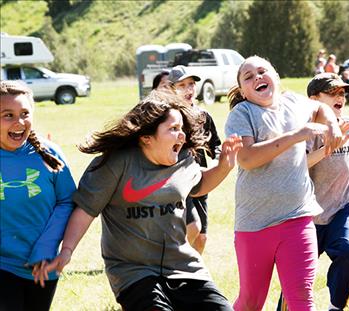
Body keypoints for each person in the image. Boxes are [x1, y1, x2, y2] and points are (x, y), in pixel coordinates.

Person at [40, 91, 242, 311]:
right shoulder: (115, 164)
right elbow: (85, 211)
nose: (182, 135)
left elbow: (199, 184)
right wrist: (67, 251)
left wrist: (224, 166)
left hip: (184, 267)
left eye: (182, 128)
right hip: (133, 272)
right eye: (173, 129)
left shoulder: (183, 159)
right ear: (146, 137)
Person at [225, 56, 344, 311]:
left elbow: (320, 109)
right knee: (250, 301)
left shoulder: (294, 103)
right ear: (244, 92)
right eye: (248, 77)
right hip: (255, 223)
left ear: (276, 78)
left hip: (297, 218)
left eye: (262, 71)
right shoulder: (243, 113)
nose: (257, 77)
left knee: (301, 297)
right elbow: (246, 159)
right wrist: (295, 136)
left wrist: (332, 124)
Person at [277, 73, 349, 311]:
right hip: (308, 214)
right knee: (298, 276)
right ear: (314, 100)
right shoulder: (307, 131)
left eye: (342, 93)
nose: (340, 97)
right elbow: (299, 164)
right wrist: (330, 147)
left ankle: (336, 307)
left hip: (341, 205)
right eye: (332, 93)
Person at [0, 80, 76, 311]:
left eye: (25, 113)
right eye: (8, 115)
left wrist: (46, 248)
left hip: (42, 265)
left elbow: (67, 201)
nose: (19, 122)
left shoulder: (49, 153)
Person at [168, 65, 222, 254]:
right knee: (191, 229)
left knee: (201, 238)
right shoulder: (168, 119)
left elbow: (216, 144)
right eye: (182, 85)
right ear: (171, 89)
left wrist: (216, 162)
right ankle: (173, 264)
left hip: (201, 180)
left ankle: (192, 274)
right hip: (178, 181)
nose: (189, 89)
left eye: (191, 84)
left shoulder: (203, 116)